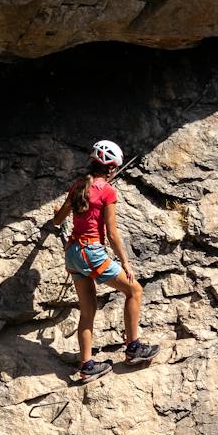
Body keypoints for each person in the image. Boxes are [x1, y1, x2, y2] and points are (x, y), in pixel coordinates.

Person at [46, 139, 159, 381]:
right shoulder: (107, 191)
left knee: (88, 310)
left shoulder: (77, 186)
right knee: (134, 290)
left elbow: (58, 221)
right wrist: (125, 262)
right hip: (91, 253)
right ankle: (133, 348)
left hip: (73, 253)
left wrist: (58, 215)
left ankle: (87, 365)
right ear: (112, 168)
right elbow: (112, 233)